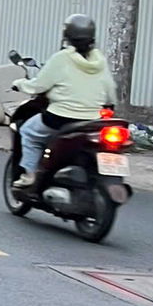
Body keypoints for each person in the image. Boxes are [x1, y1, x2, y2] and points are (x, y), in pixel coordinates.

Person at [15, 13, 118, 187]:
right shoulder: (100, 60)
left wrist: (19, 84)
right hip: (92, 121)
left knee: (28, 132)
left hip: (60, 118)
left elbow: (38, 86)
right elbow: (110, 90)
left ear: (67, 36)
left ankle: (29, 175)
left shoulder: (61, 58)